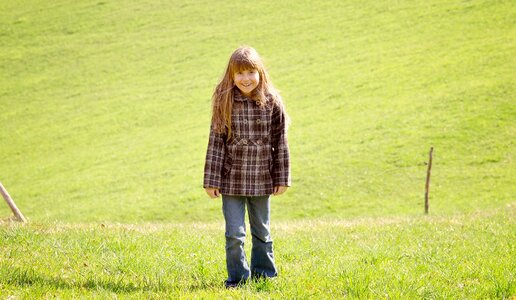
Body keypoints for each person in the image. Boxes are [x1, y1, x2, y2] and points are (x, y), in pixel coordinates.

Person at [203, 46, 291, 288]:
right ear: (231, 75)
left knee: (262, 231)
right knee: (234, 234)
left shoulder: (273, 101)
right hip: (231, 178)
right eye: (239, 73)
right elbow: (215, 142)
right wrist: (211, 180)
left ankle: (265, 275)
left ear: (260, 72)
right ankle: (237, 280)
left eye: (251, 72)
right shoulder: (224, 101)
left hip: (262, 177)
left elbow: (280, 141)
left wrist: (282, 177)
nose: (246, 78)